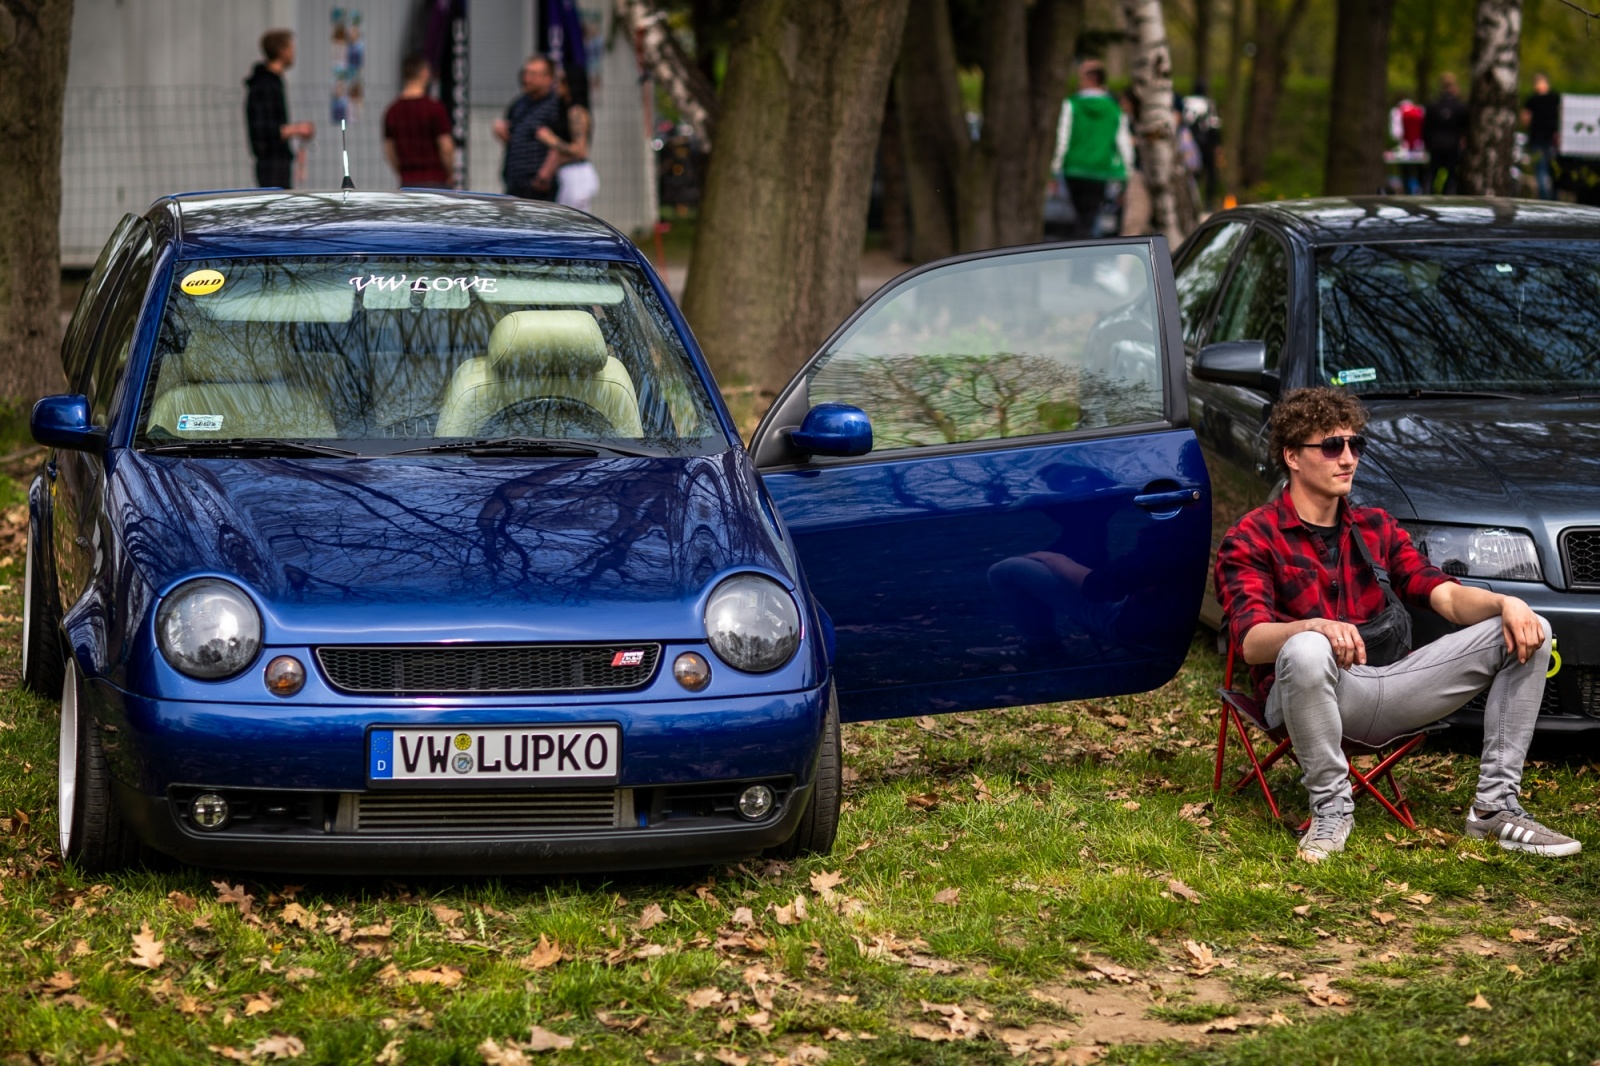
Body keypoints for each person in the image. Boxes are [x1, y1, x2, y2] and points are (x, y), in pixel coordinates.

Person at [1216, 387, 1579, 863]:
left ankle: (1495, 809)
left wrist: (1506, 603)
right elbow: (1250, 642)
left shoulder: (1375, 526)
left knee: (1531, 629)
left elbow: (1444, 594)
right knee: (1306, 649)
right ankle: (1330, 809)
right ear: (1292, 457)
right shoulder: (1252, 536)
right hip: (1304, 691)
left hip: (1385, 687)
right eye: (1331, 446)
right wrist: (1313, 628)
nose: (1348, 459)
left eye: (1355, 445)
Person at [1051, 60, 1133, 239]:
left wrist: (1055, 170)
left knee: (1080, 218)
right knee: (1090, 217)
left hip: (1073, 168)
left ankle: (1079, 256)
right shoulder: (1114, 108)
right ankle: (1086, 257)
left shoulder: (1071, 105)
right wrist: (1127, 173)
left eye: (1081, 75)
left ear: (1091, 78)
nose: (1078, 80)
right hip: (1100, 170)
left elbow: (1062, 139)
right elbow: (1123, 143)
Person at [244, 29, 315, 189]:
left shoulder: (272, 82)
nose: (293, 53)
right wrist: (298, 129)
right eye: (291, 48)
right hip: (271, 163)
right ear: (282, 51)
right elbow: (265, 130)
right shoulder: (266, 85)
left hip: (277, 161)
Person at [493, 55, 564, 201]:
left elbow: (561, 144)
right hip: (514, 181)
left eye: (533, 74)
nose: (527, 79)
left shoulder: (556, 106)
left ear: (548, 78)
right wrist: (501, 130)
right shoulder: (519, 104)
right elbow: (511, 136)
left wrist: (545, 174)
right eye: (525, 73)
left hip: (538, 184)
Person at [383, 54, 455, 189]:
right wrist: (450, 173)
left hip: (408, 183)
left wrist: (402, 172)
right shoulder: (435, 109)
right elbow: (446, 147)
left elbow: (389, 150)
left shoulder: (392, 111)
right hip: (436, 181)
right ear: (424, 73)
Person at [540, 68, 599, 213]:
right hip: (567, 173)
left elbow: (579, 150)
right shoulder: (563, 110)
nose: (557, 85)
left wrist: (550, 139)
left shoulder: (576, 112)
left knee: (575, 223)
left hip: (577, 173)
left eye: (562, 81)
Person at [1422, 72, 1469, 195]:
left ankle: (1427, 195)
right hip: (1453, 145)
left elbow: (1426, 128)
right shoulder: (1460, 107)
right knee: (1452, 175)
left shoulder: (1433, 106)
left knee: (1432, 173)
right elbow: (1465, 128)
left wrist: (1428, 143)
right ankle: (1450, 197)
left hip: (1435, 145)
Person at [1521, 73, 1561, 201]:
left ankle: (1544, 198)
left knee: (1541, 170)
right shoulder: (1555, 98)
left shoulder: (1532, 99)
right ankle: (1554, 197)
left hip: (1537, 138)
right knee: (1553, 169)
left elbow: (1525, 119)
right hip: (1552, 139)